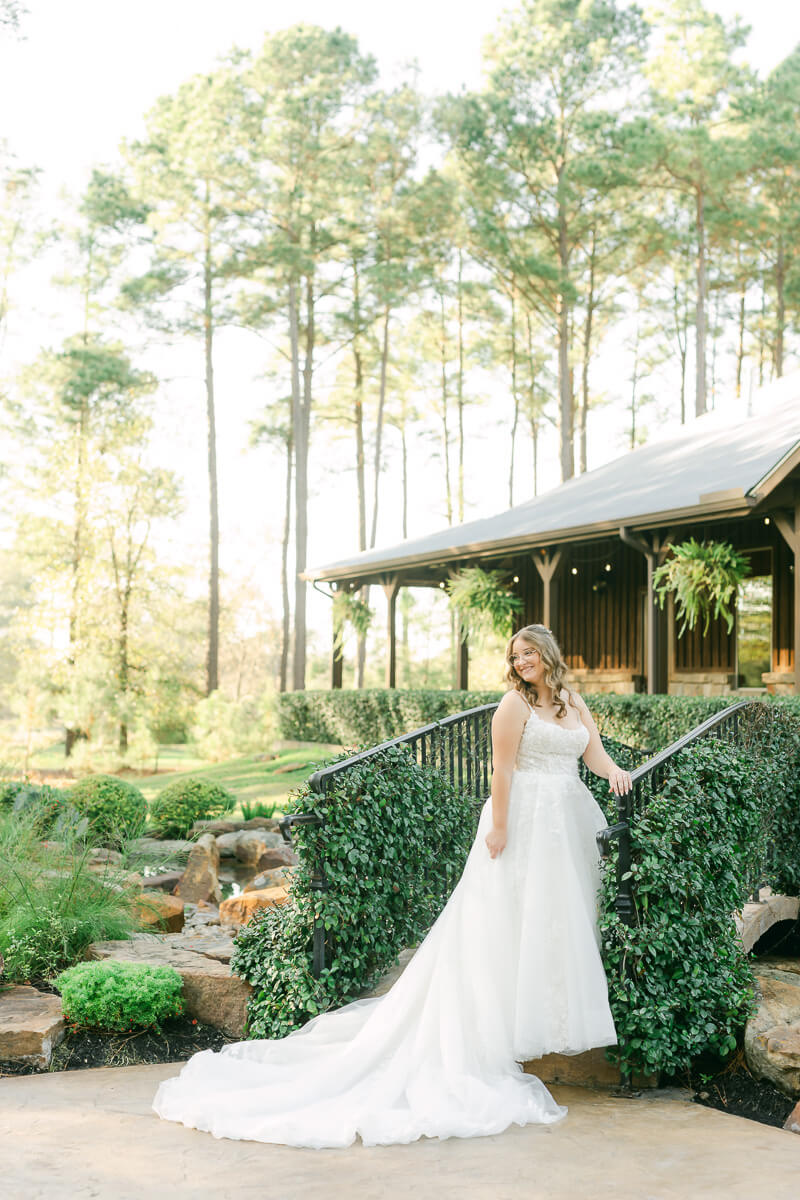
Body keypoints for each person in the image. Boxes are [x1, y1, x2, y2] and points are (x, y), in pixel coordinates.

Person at [153, 623, 631, 1148]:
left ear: (548, 653)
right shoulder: (511, 705)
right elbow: (501, 769)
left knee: (555, 923)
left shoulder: (571, 701)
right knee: (504, 922)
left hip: (567, 824)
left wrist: (618, 774)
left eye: (530, 653)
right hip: (523, 821)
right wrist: (498, 825)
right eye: (515, 656)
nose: (522, 663)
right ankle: (498, 1028)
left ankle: (542, 1015)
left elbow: (593, 756)